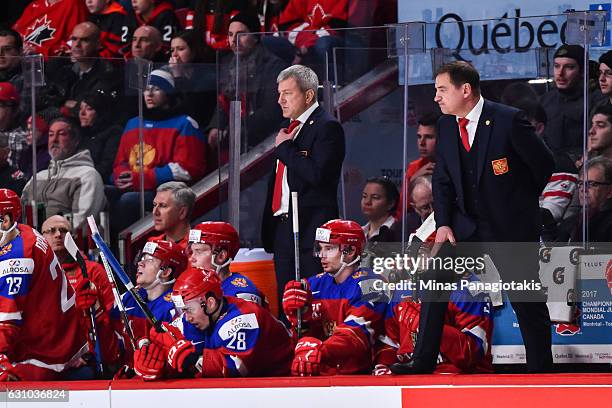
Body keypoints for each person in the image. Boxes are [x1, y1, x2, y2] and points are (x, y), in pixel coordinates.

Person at [391, 61, 555, 374]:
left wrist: (517, 203)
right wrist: (444, 224)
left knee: (526, 299)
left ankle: (540, 370)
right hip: (466, 227)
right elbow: (442, 178)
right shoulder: (446, 125)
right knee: (434, 278)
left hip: (509, 228)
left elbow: (543, 164)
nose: (437, 97)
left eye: (442, 89)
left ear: (465, 90)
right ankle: (422, 361)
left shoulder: (508, 120)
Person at [261, 64, 345, 307]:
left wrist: (286, 149)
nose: (280, 100)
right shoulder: (289, 130)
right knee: (285, 303)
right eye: (279, 94)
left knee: (312, 303)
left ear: (308, 95)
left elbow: (318, 175)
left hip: (311, 231)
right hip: (283, 230)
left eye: (287, 93)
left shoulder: (327, 127)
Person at [133, 266, 293, 379]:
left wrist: (189, 359)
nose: (186, 318)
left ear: (209, 303)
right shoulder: (197, 315)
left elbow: (234, 369)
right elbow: (164, 342)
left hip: (286, 388)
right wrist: (150, 356)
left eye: (188, 310)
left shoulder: (244, 317)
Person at [0, 189, 87, 381]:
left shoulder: (17, 258)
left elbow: (7, 324)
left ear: (5, 220)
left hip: (44, 354)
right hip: (56, 338)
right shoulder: (23, 232)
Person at [282, 219, 387, 376]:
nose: (321, 256)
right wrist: (298, 318)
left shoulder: (372, 285)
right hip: (319, 371)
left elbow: (354, 337)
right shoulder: (312, 285)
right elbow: (301, 339)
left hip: (360, 376)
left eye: (329, 248)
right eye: (320, 248)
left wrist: (318, 350)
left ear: (350, 251)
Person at [110, 69, 207, 231]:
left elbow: (188, 169)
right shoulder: (133, 123)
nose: (149, 93)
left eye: (156, 89)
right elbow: (120, 163)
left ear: (168, 93)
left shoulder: (185, 123)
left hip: (166, 191)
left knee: (129, 201)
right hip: (134, 185)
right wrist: (120, 176)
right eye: (147, 89)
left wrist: (141, 179)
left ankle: (127, 250)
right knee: (106, 193)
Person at [207, 11, 287, 164]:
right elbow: (223, 101)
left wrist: (236, 130)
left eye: (241, 34)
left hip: (265, 140)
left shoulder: (274, 66)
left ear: (256, 36)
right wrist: (216, 126)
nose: (234, 40)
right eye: (230, 34)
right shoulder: (227, 63)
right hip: (234, 137)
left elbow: (272, 111)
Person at [375, 273, 493, 375]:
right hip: (412, 377)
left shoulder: (468, 289)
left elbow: (474, 353)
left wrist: (425, 325)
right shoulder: (403, 290)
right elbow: (389, 342)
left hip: (459, 380)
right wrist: (383, 365)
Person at [21, 117, 107, 229]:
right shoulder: (38, 177)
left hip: (64, 244)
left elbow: (82, 223)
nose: (54, 140)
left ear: (75, 141)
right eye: (51, 135)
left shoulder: (87, 175)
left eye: (61, 134)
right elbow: (19, 214)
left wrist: (46, 238)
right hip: (30, 242)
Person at [189, 221, 266, 306]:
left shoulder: (240, 295)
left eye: (199, 252)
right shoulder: (195, 286)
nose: (191, 258)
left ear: (221, 256)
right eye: (192, 252)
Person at [540, 45, 585, 154]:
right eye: (556, 66)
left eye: (569, 67)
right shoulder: (546, 100)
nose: (560, 73)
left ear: (582, 70)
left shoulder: (592, 100)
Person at [557, 156, 612, 242]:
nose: (583, 189)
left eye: (592, 184)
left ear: (610, 191)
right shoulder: (570, 223)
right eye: (581, 184)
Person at [395, 112, 439, 219]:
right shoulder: (414, 167)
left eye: (428, 137)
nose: (422, 143)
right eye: (419, 137)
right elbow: (401, 214)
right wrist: (413, 180)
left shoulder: (455, 166)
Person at [13, 0, 88, 57]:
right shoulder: (35, 5)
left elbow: (73, 43)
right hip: (20, 57)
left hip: (48, 63)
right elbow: (13, 34)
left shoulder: (73, 4)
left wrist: (39, 51)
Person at [78, 91, 123, 182]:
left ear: (100, 112)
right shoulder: (80, 133)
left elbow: (107, 165)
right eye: (80, 108)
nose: (82, 113)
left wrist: (80, 177)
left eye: (89, 109)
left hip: (98, 182)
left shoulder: (114, 132)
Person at [151, 181, 195, 248]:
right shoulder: (152, 244)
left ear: (182, 212)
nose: (155, 212)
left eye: (163, 205)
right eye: (154, 205)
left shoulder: (196, 249)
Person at [361, 176, 399, 242]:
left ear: (391, 204)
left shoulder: (398, 232)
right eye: (364, 196)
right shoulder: (359, 232)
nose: (367, 202)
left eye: (375, 197)